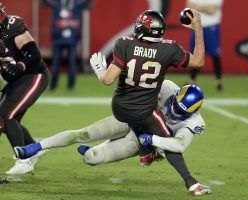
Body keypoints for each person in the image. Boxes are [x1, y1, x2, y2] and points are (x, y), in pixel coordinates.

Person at [15, 80, 211, 196]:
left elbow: (179, 145)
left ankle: (94, 149)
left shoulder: (194, 122)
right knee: (84, 133)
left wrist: (152, 142)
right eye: (174, 105)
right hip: (130, 121)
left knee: (91, 158)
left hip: (138, 141)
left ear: (193, 113)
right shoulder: (166, 86)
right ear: (176, 94)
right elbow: (137, 98)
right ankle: (36, 147)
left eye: (181, 111)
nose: (174, 112)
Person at [90, 9, 204, 166]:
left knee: (133, 124)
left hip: (122, 107)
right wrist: (198, 29)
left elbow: (108, 80)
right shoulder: (169, 49)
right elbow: (198, 61)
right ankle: (154, 154)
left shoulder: (125, 43)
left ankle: (148, 151)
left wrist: (101, 72)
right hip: (147, 112)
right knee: (165, 137)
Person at [0, 8, 49, 174]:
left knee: (5, 115)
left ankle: (24, 159)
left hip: (33, 75)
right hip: (15, 80)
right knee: (5, 121)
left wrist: (20, 66)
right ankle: (33, 149)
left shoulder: (12, 27)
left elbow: (34, 54)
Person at [43, 0, 92, 91]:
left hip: (65, 39)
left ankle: (62, 86)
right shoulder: (73, 5)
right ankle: (65, 86)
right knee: (62, 63)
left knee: (63, 63)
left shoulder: (63, 4)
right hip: (65, 39)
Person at [186, 0, 224, 91]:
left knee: (215, 54)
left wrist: (197, 8)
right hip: (197, 26)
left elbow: (212, 10)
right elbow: (189, 6)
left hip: (211, 26)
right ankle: (192, 81)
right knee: (196, 54)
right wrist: (204, 8)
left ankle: (218, 81)